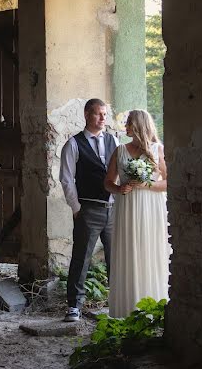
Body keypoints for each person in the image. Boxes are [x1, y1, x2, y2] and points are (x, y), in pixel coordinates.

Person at [104, 109, 170, 318]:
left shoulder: (157, 149)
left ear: (139, 125)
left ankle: (152, 308)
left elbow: (168, 183)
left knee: (149, 251)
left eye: (129, 123)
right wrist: (118, 189)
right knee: (128, 251)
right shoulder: (120, 150)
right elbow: (107, 182)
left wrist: (146, 184)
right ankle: (126, 308)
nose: (125, 128)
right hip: (127, 208)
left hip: (151, 208)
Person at [59, 98, 120, 322]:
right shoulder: (73, 144)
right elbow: (67, 179)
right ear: (87, 115)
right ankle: (74, 305)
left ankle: (117, 302)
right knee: (81, 258)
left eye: (105, 114)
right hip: (89, 209)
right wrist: (77, 209)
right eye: (98, 114)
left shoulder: (114, 140)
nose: (103, 118)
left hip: (113, 210)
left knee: (116, 258)